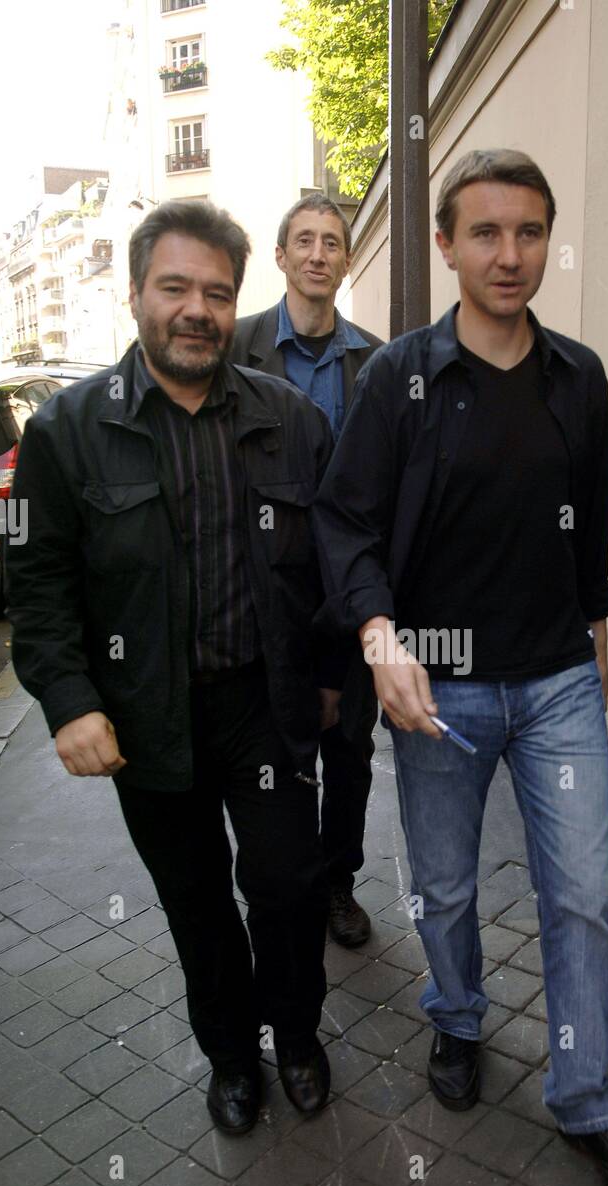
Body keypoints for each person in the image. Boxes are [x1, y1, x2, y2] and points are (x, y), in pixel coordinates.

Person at [313, 150, 608, 1186]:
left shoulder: (580, 375)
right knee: (447, 884)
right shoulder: (399, 379)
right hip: (442, 687)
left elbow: (588, 517)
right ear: (447, 244)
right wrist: (381, 640)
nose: (510, 255)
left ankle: (589, 1098)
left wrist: (594, 623)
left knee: (584, 900)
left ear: (548, 239)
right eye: (486, 232)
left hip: (557, 680)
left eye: (529, 232)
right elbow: (344, 521)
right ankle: (458, 1018)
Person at [6, 199, 343, 1137]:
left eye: (217, 294)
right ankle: (232, 1059)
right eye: (176, 288)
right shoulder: (67, 434)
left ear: (236, 305)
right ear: (136, 296)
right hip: (148, 719)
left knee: (285, 885)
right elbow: (35, 585)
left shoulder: (290, 420)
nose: (197, 309)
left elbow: (330, 565)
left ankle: (299, 1038)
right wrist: (70, 701)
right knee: (196, 899)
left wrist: (327, 677)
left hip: (263, 707)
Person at [232, 193, 383, 950]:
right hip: (268, 589)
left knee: (348, 748)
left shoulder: (378, 361)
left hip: (350, 590)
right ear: (282, 257)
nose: (319, 253)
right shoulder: (237, 347)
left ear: (347, 259)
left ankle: (337, 882)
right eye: (305, 241)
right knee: (278, 747)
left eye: (332, 241)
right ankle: (283, 883)